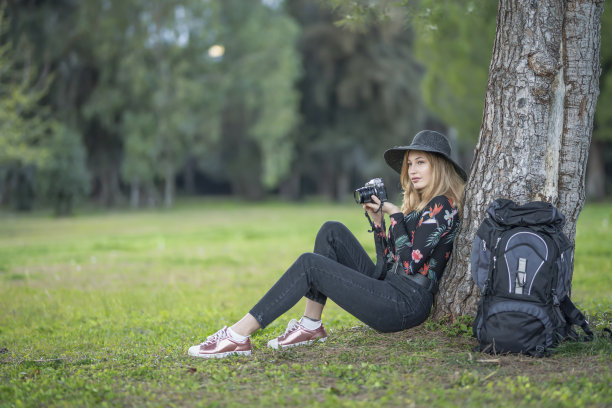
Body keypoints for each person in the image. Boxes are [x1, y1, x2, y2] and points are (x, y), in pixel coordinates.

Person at [188, 130, 467, 359]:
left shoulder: (443, 205)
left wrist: (394, 215)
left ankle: (238, 335)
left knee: (310, 264)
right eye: (410, 163)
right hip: (391, 288)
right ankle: (311, 325)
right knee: (331, 231)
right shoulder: (419, 207)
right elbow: (387, 266)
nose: (413, 170)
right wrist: (379, 224)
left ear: (438, 167)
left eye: (421, 162)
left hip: (405, 305)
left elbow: (410, 264)